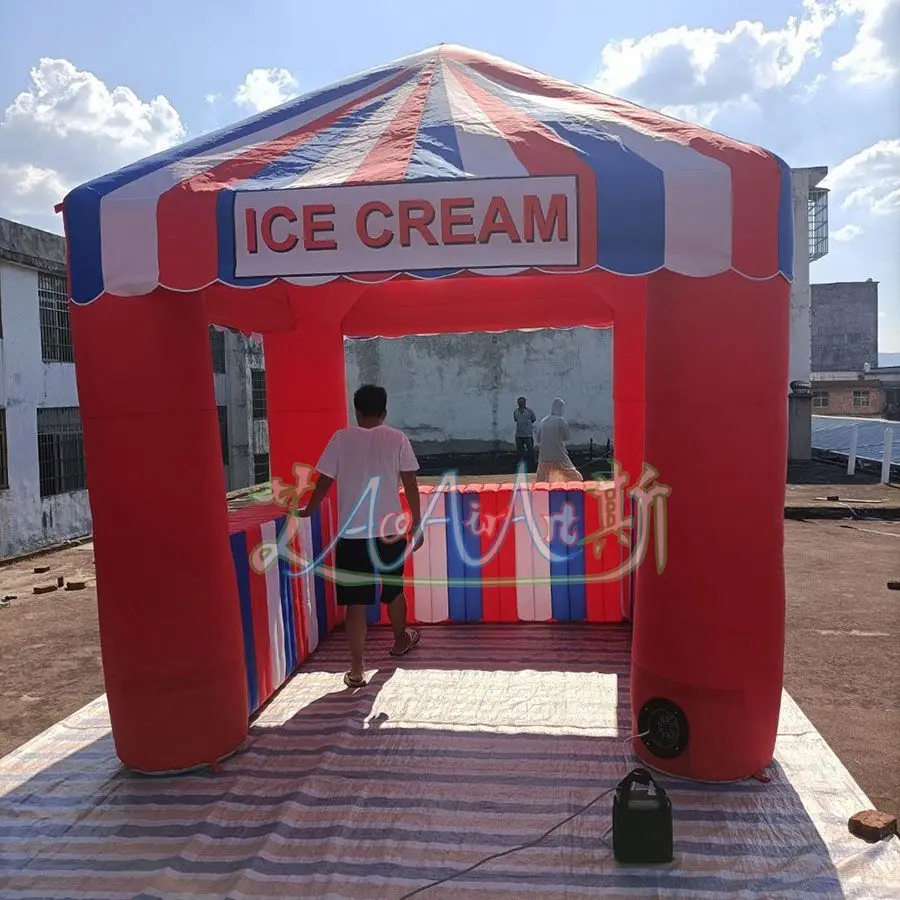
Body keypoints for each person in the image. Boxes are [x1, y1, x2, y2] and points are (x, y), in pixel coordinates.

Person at [299, 384, 423, 689]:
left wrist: (307, 510)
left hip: (353, 535)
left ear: (356, 412)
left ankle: (356, 670)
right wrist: (417, 523)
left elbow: (323, 482)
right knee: (394, 589)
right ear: (384, 412)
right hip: (390, 532)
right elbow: (410, 482)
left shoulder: (341, 439)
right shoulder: (397, 438)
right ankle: (399, 640)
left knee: (355, 602)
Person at [536, 398, 584, 483]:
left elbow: (538, 439)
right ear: (560, 409)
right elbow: (566, 437)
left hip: (544, 456)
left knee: (541, 481)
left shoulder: (543, 421)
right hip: (559, 455)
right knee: (575, 477)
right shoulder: (561, 421)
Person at [514, 396, 537, 468]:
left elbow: (533, 419)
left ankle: (533, 463)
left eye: (522, 402)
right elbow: (516, 420)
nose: (520, 403)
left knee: (530, 449)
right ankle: (521, 463)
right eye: (519, 402)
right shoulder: (515, 411)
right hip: (519, 435)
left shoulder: (530, 411)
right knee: (520, 451)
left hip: (528, 434)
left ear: (525, 403)